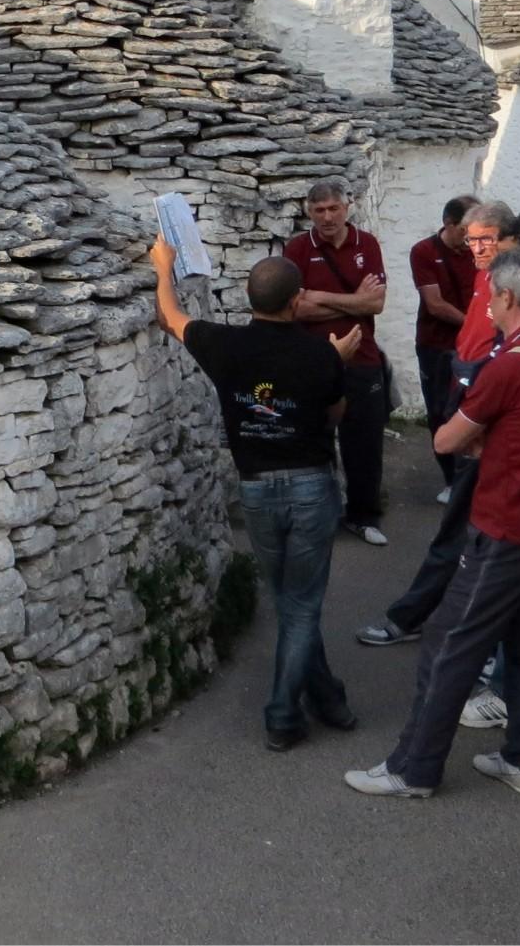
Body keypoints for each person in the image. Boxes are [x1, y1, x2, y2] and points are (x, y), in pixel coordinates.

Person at [345, 248, 520, 799]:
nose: (484, 305)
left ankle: (414, 767)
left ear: (505, 297)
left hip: (509, 523)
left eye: (488, 295)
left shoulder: (509, 364)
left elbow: (447, 438)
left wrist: (478, 434)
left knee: (448, 643)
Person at [152, 238, 357, 751]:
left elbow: (170, 316)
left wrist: (163, 267)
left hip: (256, 489)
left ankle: (328, 696)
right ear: (296, 301)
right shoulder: (320, 353)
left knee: (290, 601)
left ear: (249, 299)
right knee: (303, 605)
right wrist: (338, 362)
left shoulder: (225, 345)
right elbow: (336, 415)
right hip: (311, 484)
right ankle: (283, 715)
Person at [356, 201, 512, 647]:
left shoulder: (511, 283)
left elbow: (501, 354)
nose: (476, 245)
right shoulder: (484, 274)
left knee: (462, 532)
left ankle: (416, 620)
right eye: (472, 237)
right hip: (472, 409)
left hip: (484, 427)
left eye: (486, 238)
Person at [285, 181, 391, 546]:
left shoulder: (368, 245)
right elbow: (295, 307)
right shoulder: (297, 249)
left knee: (364, 441)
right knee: (313, 440)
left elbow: (375, 304)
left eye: (333, 208)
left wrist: (319, 296)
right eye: (319, 210)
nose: (327, 217)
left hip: (362, 359)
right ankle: (316, 515)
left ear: (347, 207)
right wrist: (352, 300)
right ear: (309, 212)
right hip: (312, 362)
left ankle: (363, 515)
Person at [411, 195, 480, 494]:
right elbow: (435, 304)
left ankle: (471, 476)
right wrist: (474, 325)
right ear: (448, 224)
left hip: (472, 345)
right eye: (465, 230)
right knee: (439, 408)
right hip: (436, 344)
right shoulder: (424, 252)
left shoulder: (477, 251)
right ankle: (451, 479)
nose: (470, 239)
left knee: (472, 408)